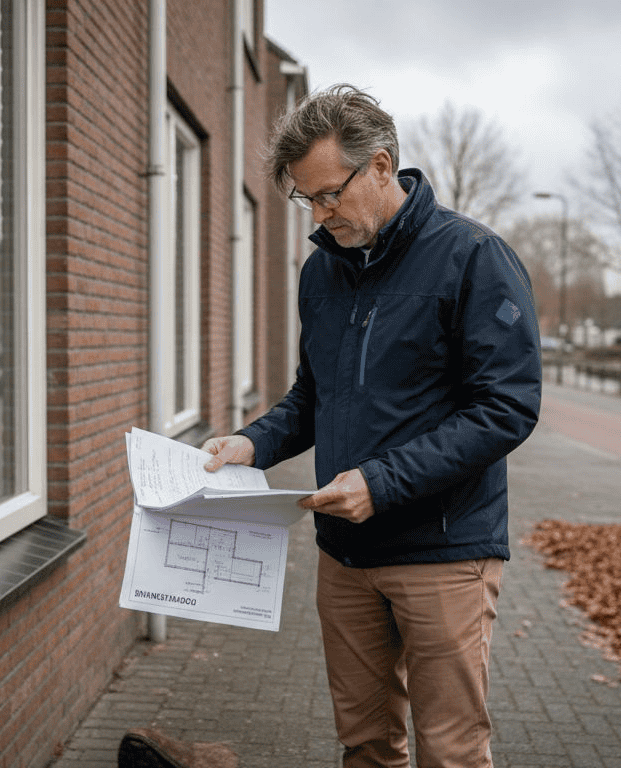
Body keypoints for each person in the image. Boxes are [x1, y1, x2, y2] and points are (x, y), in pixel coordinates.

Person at [202, 84, 541, 768]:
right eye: (307, 199)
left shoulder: (474, 258)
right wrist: (253, 442)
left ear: (382, 166)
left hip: (443, 552)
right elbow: (312, 395)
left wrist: (380, 484)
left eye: (330, 193)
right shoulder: (319, 273)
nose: (321, 215)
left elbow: (506, 407)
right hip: (345, 555)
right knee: (365, 745)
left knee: (450, 751)